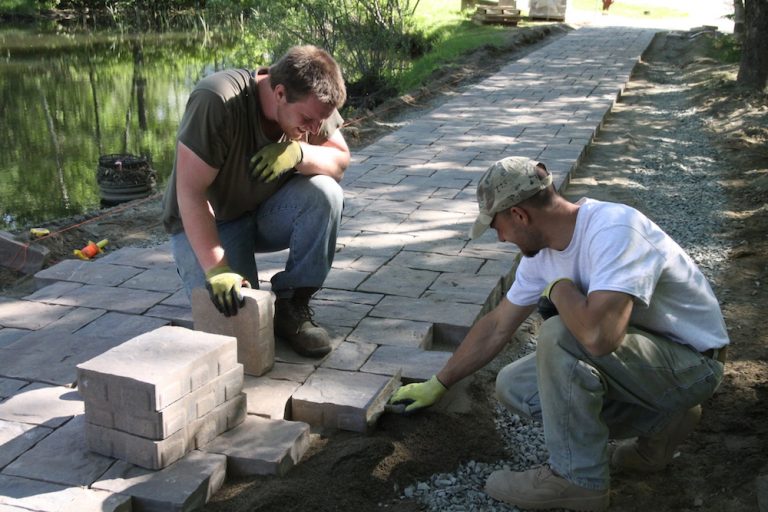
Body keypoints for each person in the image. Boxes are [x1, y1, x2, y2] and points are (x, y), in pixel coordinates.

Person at [389, 157, 728, 511]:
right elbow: (497, 325)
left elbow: (600, 338)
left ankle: (578, 480)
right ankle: (662, 420)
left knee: (559, 333)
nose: (501, 237)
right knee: (515, 385)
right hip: (648, 368)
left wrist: (561, 289)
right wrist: (440, 382)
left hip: (693, 365)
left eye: (498, 227)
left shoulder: (614, 230)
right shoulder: (542, 255)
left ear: (519, 214)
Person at [162, 45, 350, 358]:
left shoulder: (314, 102)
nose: (314, 129)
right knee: (238, 329)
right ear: (279, 93)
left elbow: (340, 160)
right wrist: (217, 269)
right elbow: (190, 192)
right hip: (210, 223)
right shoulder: (217, 100)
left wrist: (299, 153)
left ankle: (293, 305)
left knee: (326, 194)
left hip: (262, 213)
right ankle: (229, 280)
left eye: (320, 121)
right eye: (307, 119)